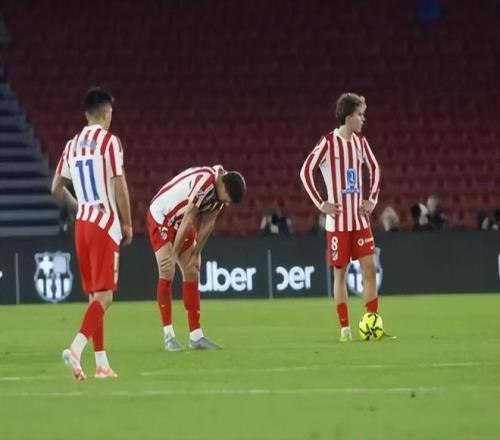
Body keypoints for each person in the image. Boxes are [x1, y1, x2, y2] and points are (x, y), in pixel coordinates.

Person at [51, 87, 133, 380]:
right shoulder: (110, 142)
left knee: (94, 297)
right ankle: (75, 348)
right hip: (104, 225)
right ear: (107, 114)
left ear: (86, 114)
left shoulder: (71, 145)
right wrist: (127, 223)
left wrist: (79, 208)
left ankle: (101, 364)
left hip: (82, 224)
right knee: (106, 297)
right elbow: (120, 184)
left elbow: (56, 188)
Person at [300, 92, 381, 342]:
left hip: (359, 220)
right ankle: (345, 329)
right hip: (337, 223)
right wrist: (321, 203)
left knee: (370, 268)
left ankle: (372, 323)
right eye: (360, 115)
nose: (363, 119)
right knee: (340, 274)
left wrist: (372, 199)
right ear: (348, 117)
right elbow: (305, 171)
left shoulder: (361, 142)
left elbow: (375, 168)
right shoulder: (328, 143)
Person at [148, 165, 246, 351]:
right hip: (162, 215)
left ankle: (196, 336)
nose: (227, 204)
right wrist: (174, 254)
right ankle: (169, 336)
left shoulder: (219, 197)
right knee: (167, 268)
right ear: (223, 186)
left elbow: (208, 224)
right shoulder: (205, 182)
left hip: (181, 221)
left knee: (193, 269)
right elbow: (188, 218)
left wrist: (195, 254)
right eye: (228, 199)